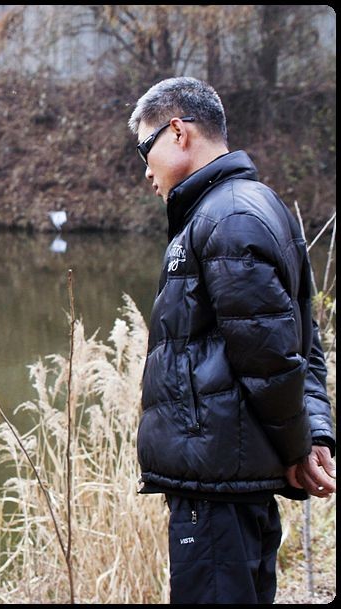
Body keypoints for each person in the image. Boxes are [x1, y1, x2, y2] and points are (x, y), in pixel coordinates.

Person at [128, 77, 336, 604]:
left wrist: (300, 447)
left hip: (218, 484)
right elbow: (304, 341)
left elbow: (272, 358)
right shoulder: (250, 207)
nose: (145, 170)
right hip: (231, 479)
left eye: (145, 149)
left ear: (178, 132)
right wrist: (312, 434)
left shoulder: (227, 218)